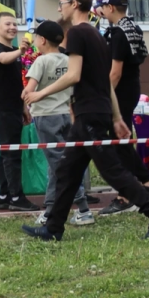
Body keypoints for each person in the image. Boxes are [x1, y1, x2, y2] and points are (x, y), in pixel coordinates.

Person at [20, 0, 149, 241]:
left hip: (89, 114)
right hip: (92, 113)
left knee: (113, 171)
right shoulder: (98, 36)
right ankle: (53, 228)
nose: (60, 8)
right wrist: (115, 117)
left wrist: (39, 94)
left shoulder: (79, 33)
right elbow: (104, 81)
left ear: (75, 5)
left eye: (62, 3)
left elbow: (74, 75)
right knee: (67, 172)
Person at [92, 0, 149, 216]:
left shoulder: (119, 32)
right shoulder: (132, 27)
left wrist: (103, 93)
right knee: (119, 141)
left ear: (109, 7)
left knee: (117, 140)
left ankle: (130, 191)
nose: (100, 10)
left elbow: (115, 72)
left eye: (102, 6)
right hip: (130, 89)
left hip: (120, 91)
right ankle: (146, 182)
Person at [25, 21, 92, 221]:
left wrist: (25, 99)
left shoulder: (41, 61)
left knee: (60, 165)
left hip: (46, 116)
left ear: (42, 40)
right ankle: (49, 210)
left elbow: (29, 90)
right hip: (65, 114)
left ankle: (83, 207)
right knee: (55, 164)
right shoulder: (67, 59)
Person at [0, 12, 35, 211]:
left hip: (14, 107)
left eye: (15, 24)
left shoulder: (15, 51)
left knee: (7, 153)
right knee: (11, 154)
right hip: (2, 109)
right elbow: (3, 59)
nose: (13, 27)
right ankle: (16, 198)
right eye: (8, 24)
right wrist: (21, 51)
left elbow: (17, 84)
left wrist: (24, 107)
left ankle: (4, 196)